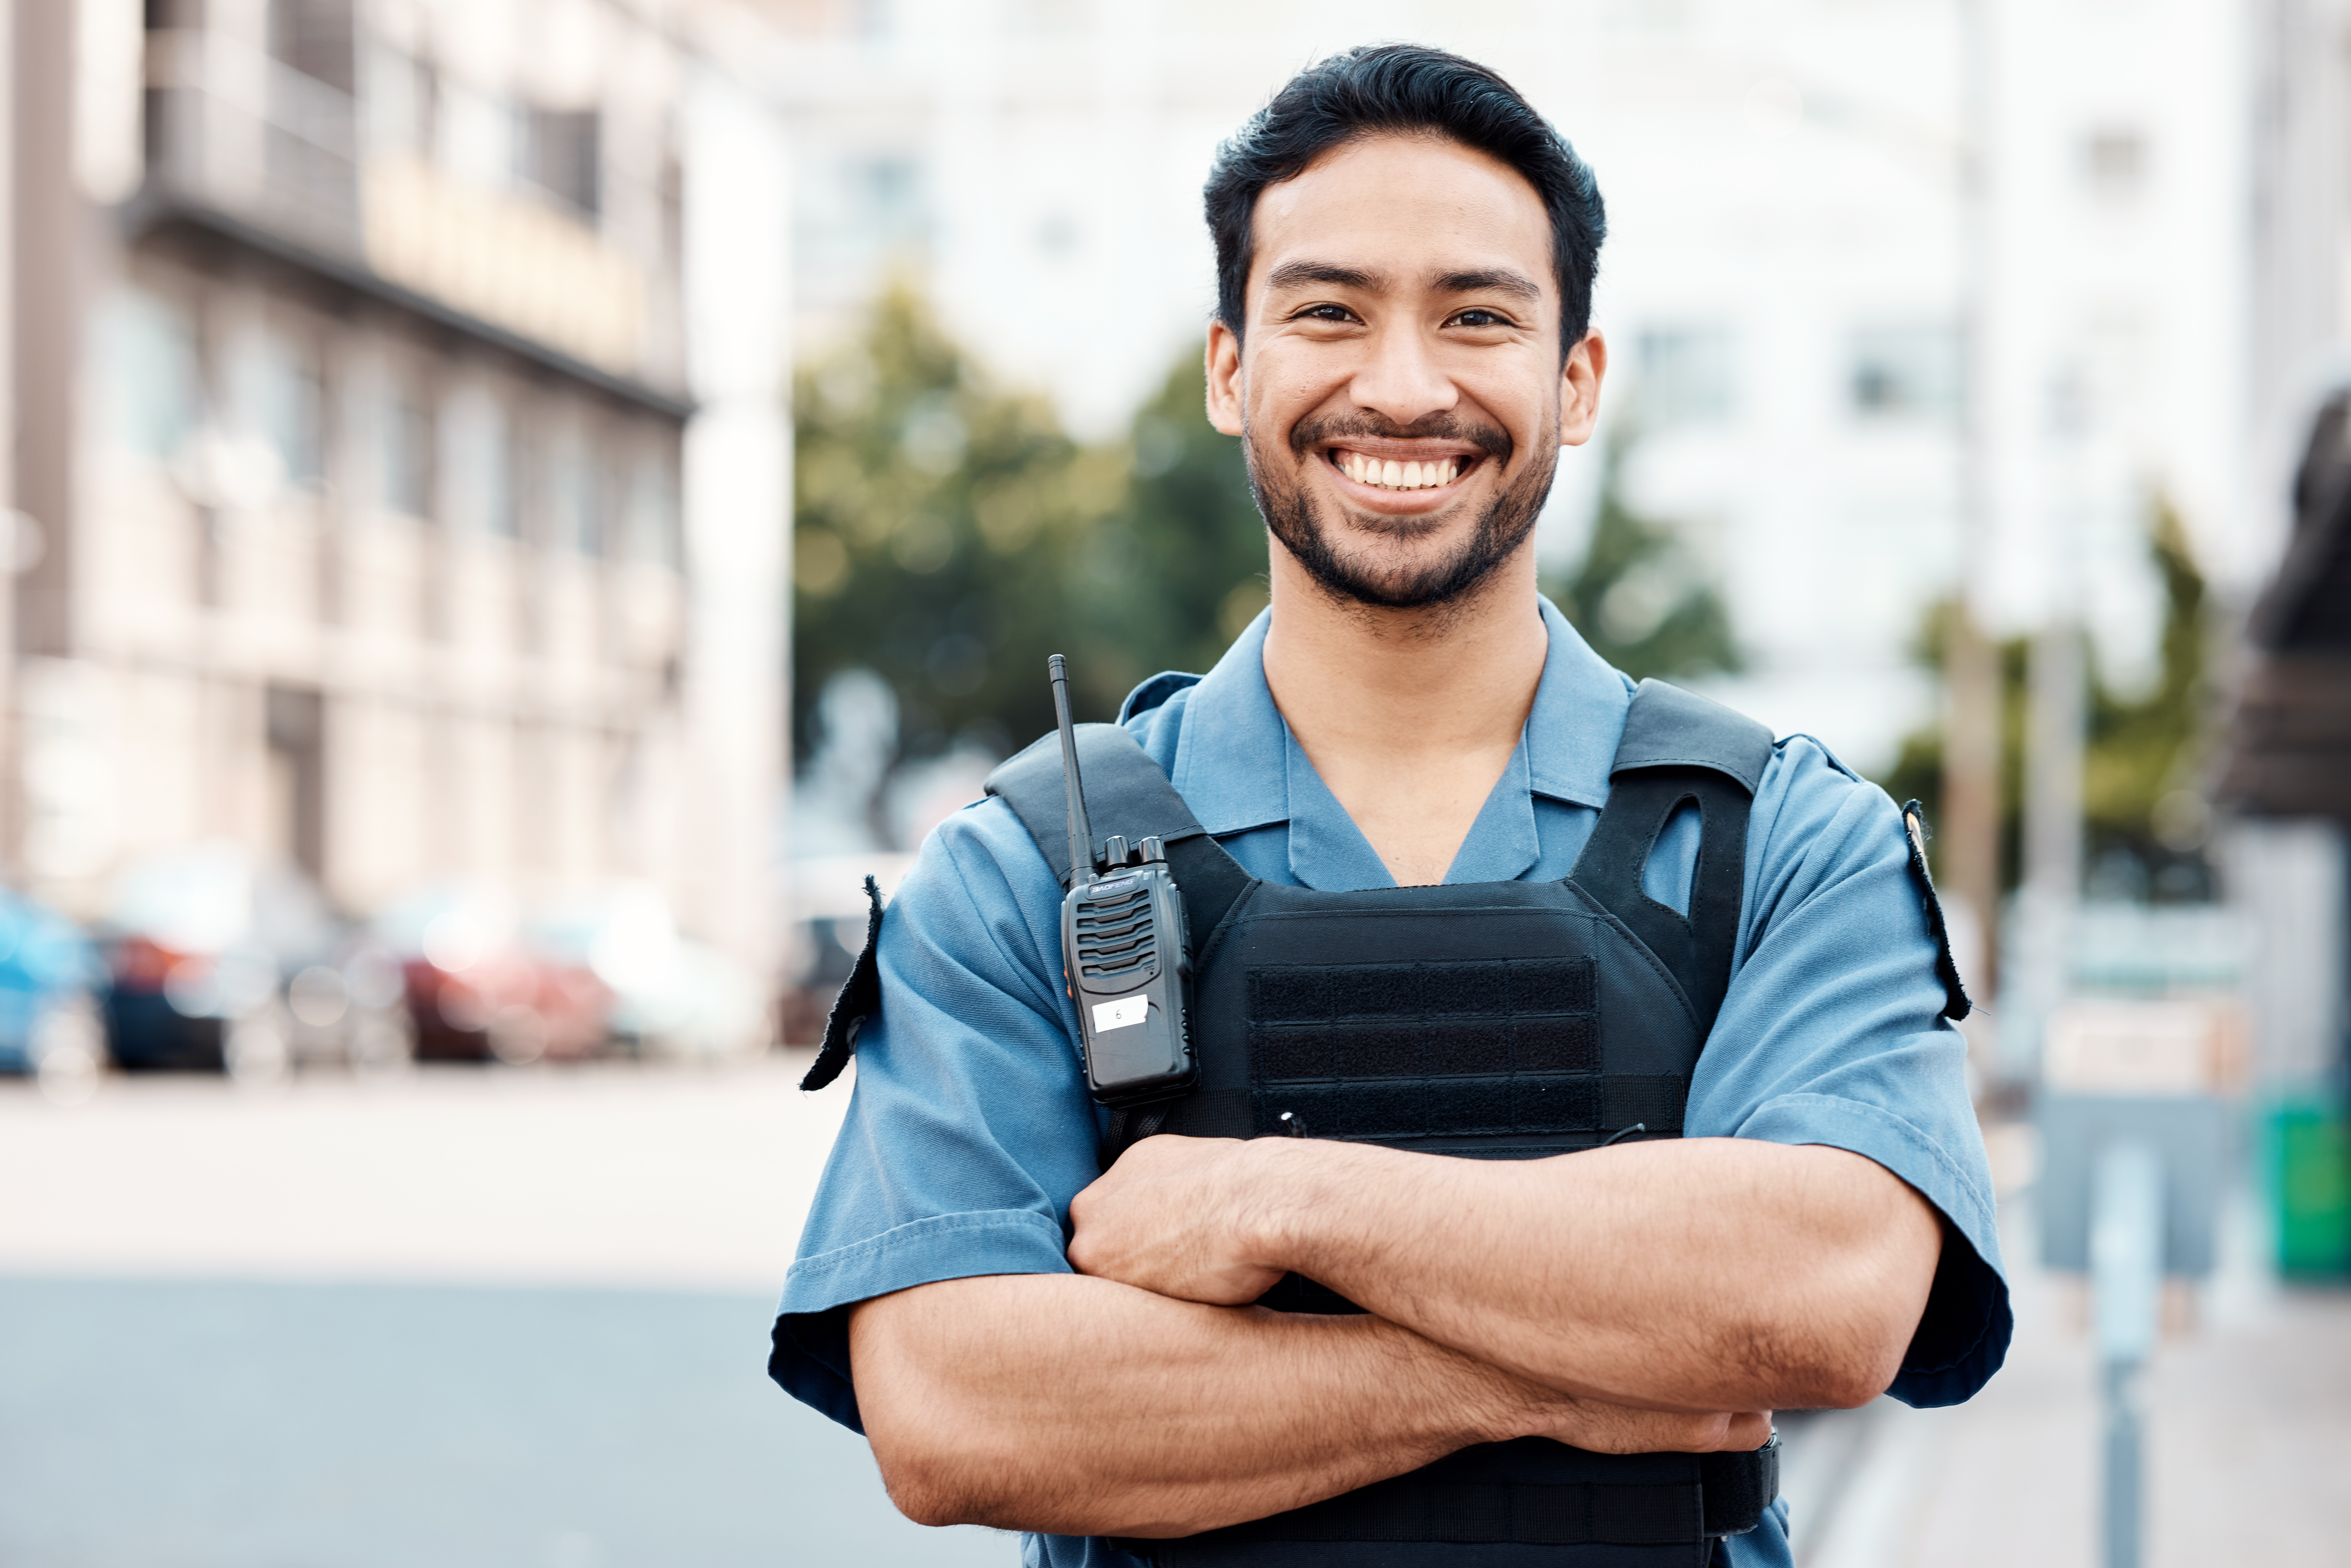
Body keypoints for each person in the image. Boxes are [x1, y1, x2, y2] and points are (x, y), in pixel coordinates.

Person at [771, 43, 2008, 1568]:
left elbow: (1827, 1302)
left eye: (1477, 317)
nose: (1404, 386)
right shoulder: (1031, 865)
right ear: (1232, 370)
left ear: (1578, 379)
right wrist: (1557, 1365)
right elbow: (957, 1412)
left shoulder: (1780, 843)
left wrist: (1275, 1204)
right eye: (1328, 312)